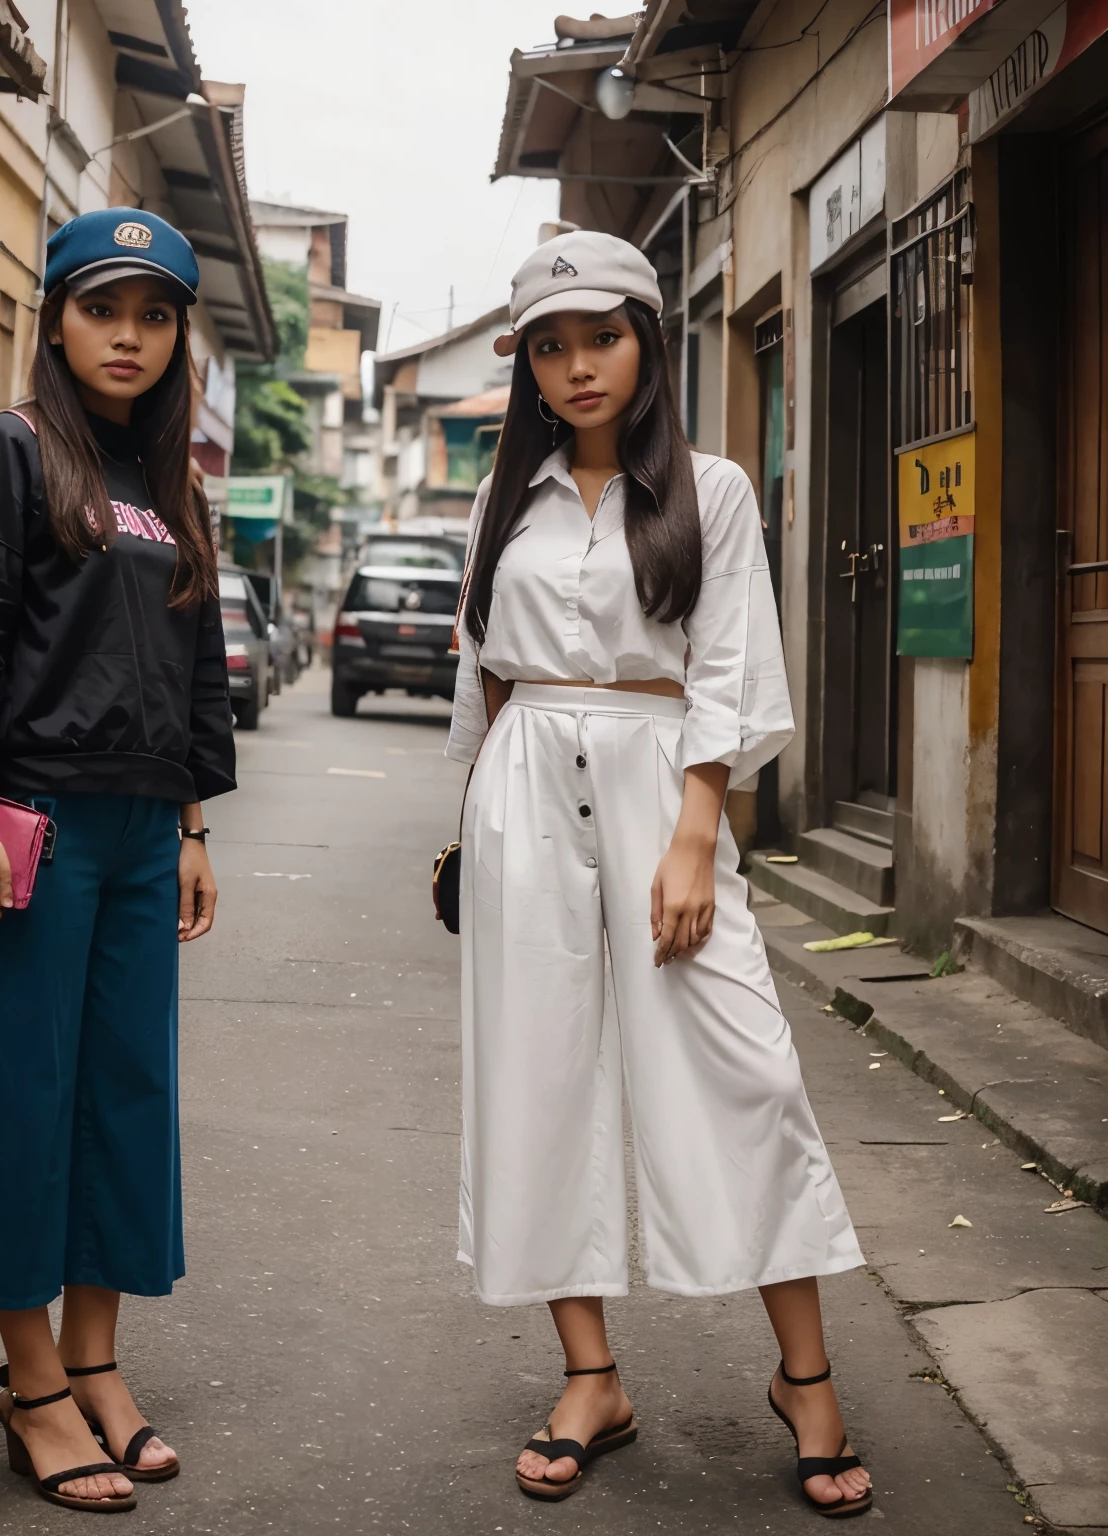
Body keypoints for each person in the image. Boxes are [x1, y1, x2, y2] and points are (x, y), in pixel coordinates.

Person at [447, 231, 873, 1518]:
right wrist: (461, 837)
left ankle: (806, 1377)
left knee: (740, 1071)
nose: (578, 367)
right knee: (538, 1081)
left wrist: (699, 831)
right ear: (525, 365)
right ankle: (592, 1376)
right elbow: (482, 679)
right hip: (523, 788)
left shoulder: (713, 488)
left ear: (648, 341)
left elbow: (733, 663)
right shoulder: (501, 503)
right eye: (550, 346)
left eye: (603, 337)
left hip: (661, 784)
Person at [0, 208, 236, 1515]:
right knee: (17, 1100)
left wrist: (195, 831)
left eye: (154, 315)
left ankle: (97, 1360)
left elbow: (197, 671)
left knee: (120, 1102)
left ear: (177, 333)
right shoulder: (11, 453)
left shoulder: (172, 488)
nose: (129, 337)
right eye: (104, 310)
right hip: (26, 826)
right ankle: (32, 1383)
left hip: (147, 831)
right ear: (58, 322)